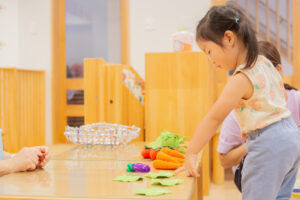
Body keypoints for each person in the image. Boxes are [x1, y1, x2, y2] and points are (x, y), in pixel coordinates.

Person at [175, 5, 300, 199]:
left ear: (229, 38)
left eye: (208, 51)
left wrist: (192, 153)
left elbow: (213, 118)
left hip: (268, 142)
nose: (210, 59)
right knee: (280, 196)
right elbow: (281, 97)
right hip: (292, 136)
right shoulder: (265, 63)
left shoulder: (241, 78)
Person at [218, 40, 300, 192]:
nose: (255, 82)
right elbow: (224, 160)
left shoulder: (296, 100)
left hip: (288, 166)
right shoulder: (238, 113)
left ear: (278, 71)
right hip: (254, 169)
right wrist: (256, 142)